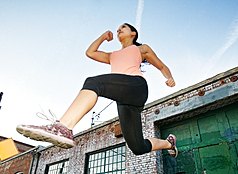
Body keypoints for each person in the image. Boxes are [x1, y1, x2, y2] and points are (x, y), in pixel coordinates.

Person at [17, 23, 178, 158]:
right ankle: (169, 144)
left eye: (123, 27)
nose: (119, 30)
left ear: (133, 33)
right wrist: (102, 37)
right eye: (117, 30)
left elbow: (162, 66)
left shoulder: (142, 49)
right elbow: (90, 53)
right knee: (137, 147)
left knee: (93, 83)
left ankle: (63, 127)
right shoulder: (112, 55)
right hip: (123, 98)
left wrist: (168, 77)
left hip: (136, 87)